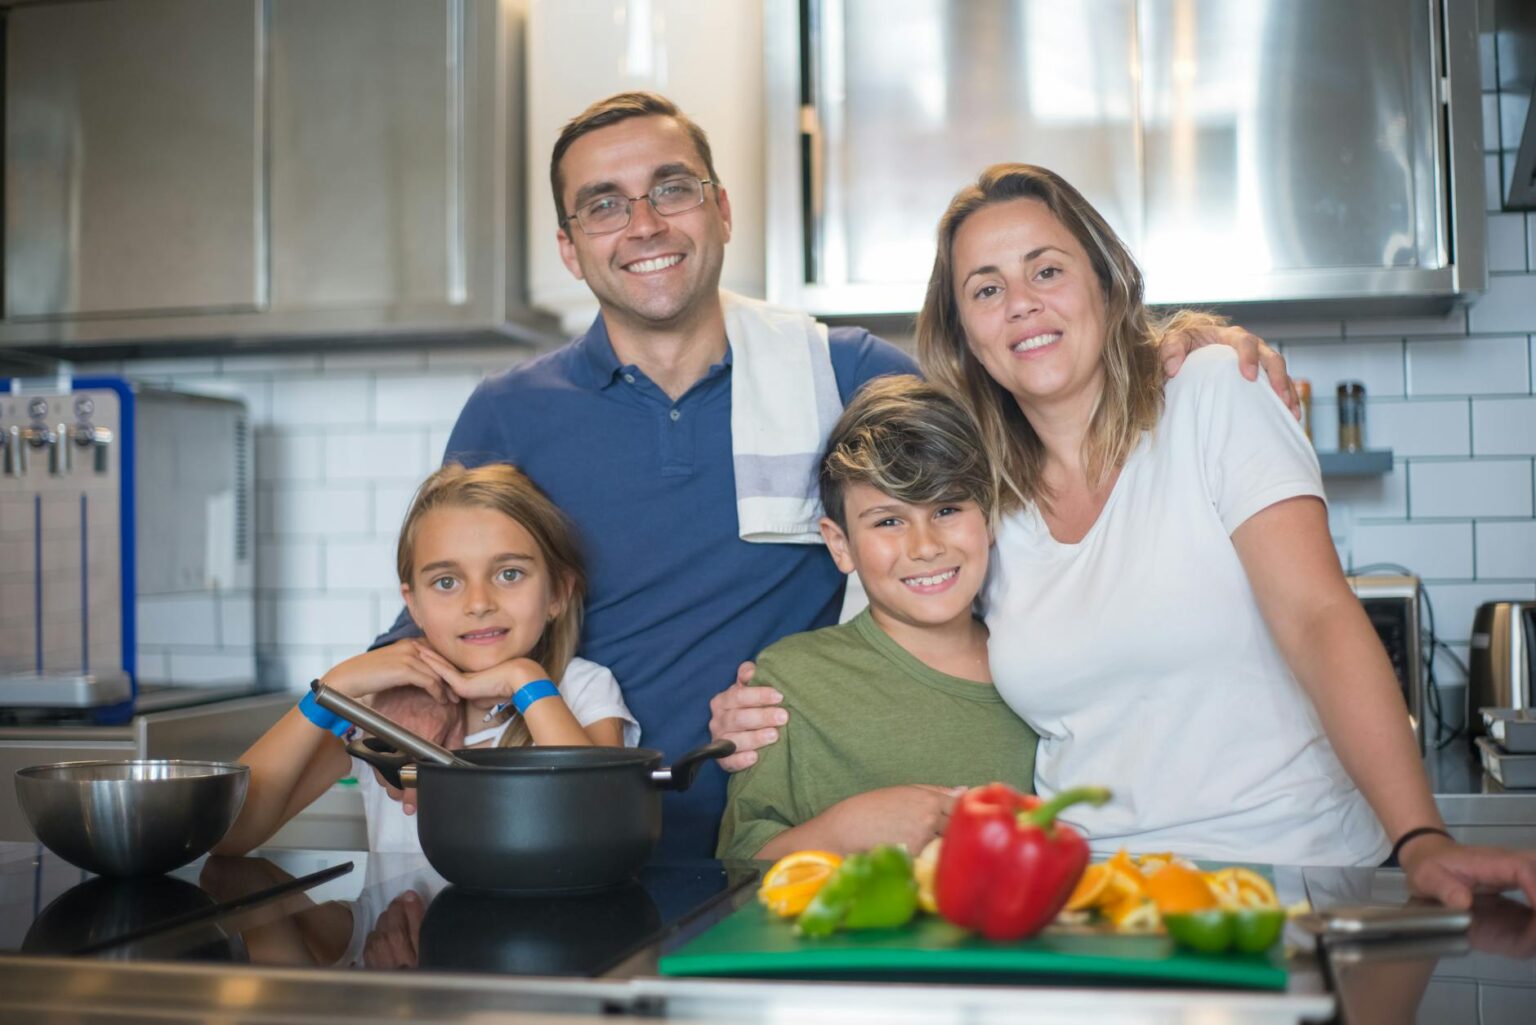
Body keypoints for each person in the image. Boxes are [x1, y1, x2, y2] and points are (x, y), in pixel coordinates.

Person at [376, 91, 1294, 858]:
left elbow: (1030, 405)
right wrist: (412, 726)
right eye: (604, 204)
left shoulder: (842, 371)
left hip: (777, 843)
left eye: (672, 189)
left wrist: (1168, 344)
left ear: (722, 209)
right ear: (571, 247)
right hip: (572, 841)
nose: (645, 223)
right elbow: (436, 620)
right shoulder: (510, 413)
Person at [904, 163, 1533, 906]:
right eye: (986, 289)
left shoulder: (1210, 393)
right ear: (964, 335)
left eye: (1047, 269)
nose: (1021, 305)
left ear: (1105, 285)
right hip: (1096, 902)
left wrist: (1421, 837)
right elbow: (895, 625)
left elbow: (1320, 618)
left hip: (1295, 878)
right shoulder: (983, 501)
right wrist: (765, 704)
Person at [216, 463, 637, 855]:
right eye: (446, 581)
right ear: (412, 605)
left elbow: (599, 827)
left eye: (509, 573)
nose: (478, 603)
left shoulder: (581, 689)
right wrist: (334, 688)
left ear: (558, 594)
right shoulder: (381, 711)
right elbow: (228, 831)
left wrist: (526, 681)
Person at [716, 376, 1038, 861]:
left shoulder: (1046, 664)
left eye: (947, 509)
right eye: (889, 521)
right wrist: (843, 831)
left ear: (989, 517)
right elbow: (740, 861)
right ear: (839, 544)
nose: (925, 546)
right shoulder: (791, 682)